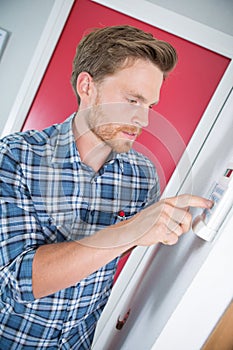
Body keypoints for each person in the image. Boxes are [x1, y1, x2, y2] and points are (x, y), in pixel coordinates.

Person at [0, 25, 212, 348]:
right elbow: (18, 281)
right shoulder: (14, 157)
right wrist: (129, 230)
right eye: (133, 99)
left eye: (149, 106)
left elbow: (129, 248)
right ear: (87, 86)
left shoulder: (143, 177)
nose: (144, 120)